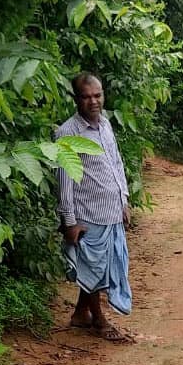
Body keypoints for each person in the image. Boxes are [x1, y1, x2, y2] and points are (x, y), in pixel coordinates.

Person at [55, 72, 132, 342]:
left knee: (98, 267)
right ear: (76, 99)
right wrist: (69, 221)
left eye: (97, 95)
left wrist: (123, 200)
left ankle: (79, 314)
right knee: (94, 269)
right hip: (88, 215)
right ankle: (99, 321)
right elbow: (64, 183)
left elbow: (116, 164)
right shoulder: (67, 134)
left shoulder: (106, 125)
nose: (93, 102)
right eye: (86, 97)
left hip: (111, 211)